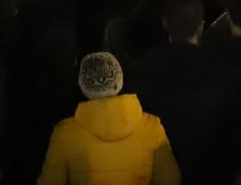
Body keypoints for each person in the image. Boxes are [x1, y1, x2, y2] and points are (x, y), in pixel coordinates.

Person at [36, 51, 180, 184]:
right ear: (119, 80)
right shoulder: (152, 127)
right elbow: (170, 180)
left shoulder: (65, 134)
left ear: (83, 85)